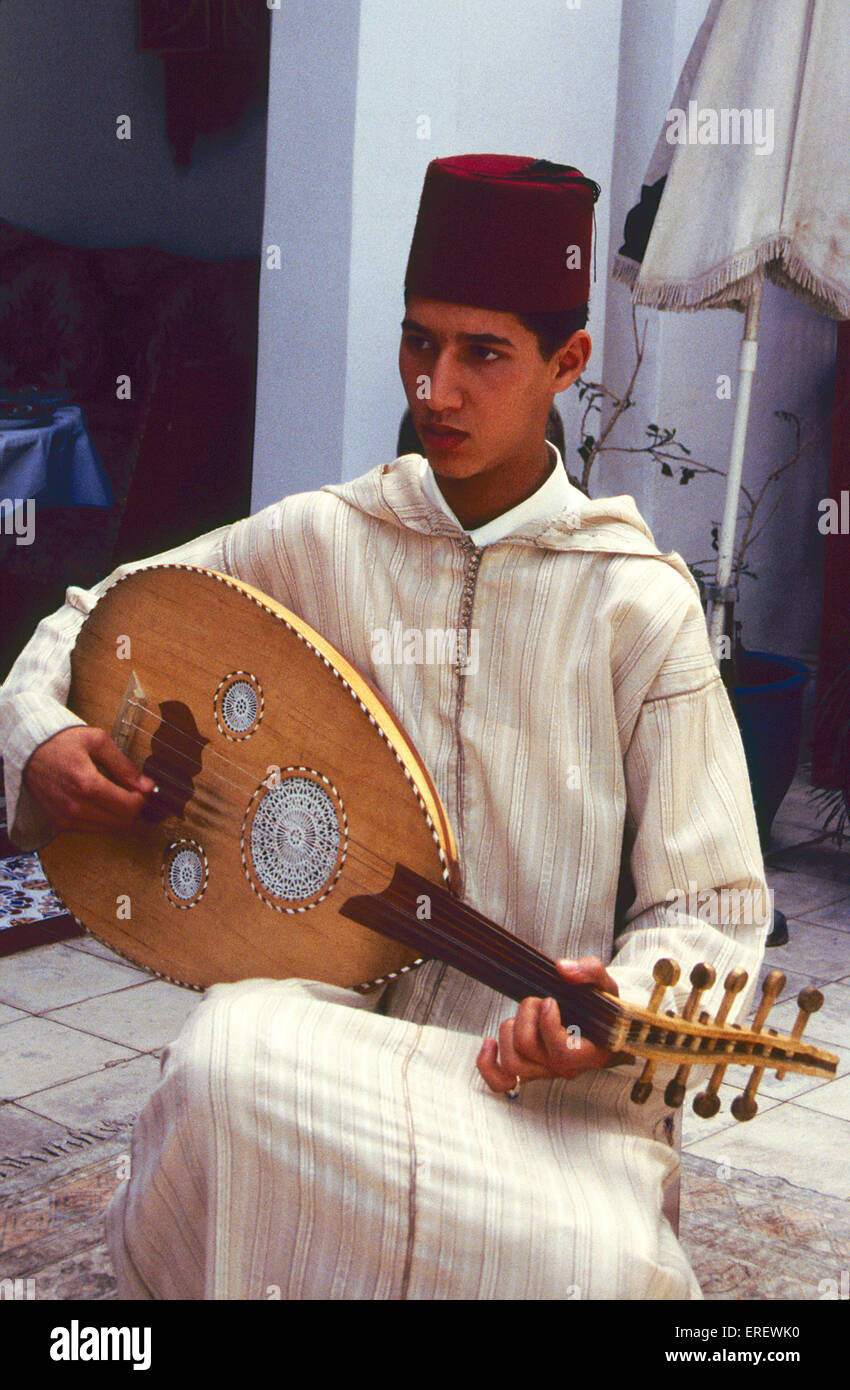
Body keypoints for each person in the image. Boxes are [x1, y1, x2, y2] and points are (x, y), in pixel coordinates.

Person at [0, 154, 771, 1300]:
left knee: (591, 1267)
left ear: (569, 362)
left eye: (483, 353)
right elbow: (90, 614)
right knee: (225, 1062)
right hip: (331, 1039)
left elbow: (705, 911)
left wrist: (613, 1015)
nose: (436, 390)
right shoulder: (328, 536)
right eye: (420, 342)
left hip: (536, 1079)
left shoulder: (635, 604)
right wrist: (39, 732)